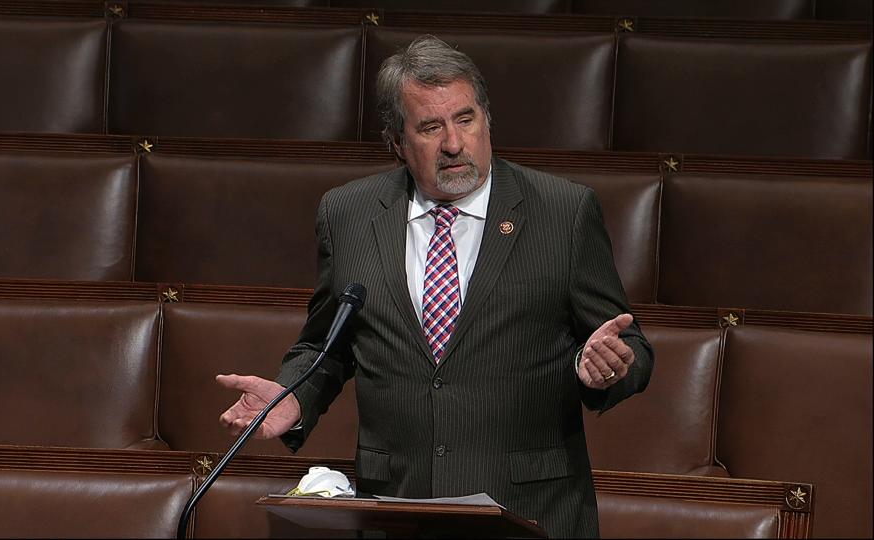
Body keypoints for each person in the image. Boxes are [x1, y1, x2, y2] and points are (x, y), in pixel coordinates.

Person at [217, 34, 653, 538]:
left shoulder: (562, 211)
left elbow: (631, 348)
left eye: (465, 119)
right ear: (397, 144)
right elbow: (326, 345)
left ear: (487, 120)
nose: (453, 143)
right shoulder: (349, 214)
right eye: (430, 127)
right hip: (399, 507)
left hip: (531, 510)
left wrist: (599, 368)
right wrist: (293, 398)